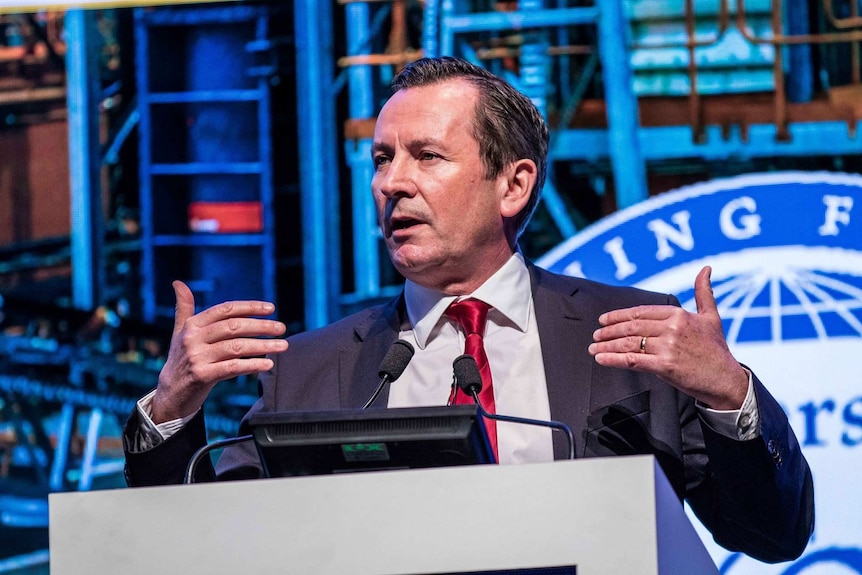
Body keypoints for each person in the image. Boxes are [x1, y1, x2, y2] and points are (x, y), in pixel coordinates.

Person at [123, 56, 813, 563]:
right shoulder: (310, 367)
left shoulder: (637, 339)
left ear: (513, 185)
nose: (392, 183)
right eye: (382, 159)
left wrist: (730, 393)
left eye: (427, 157)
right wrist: (173, 409)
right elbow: (201, 550)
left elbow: (772, 535)